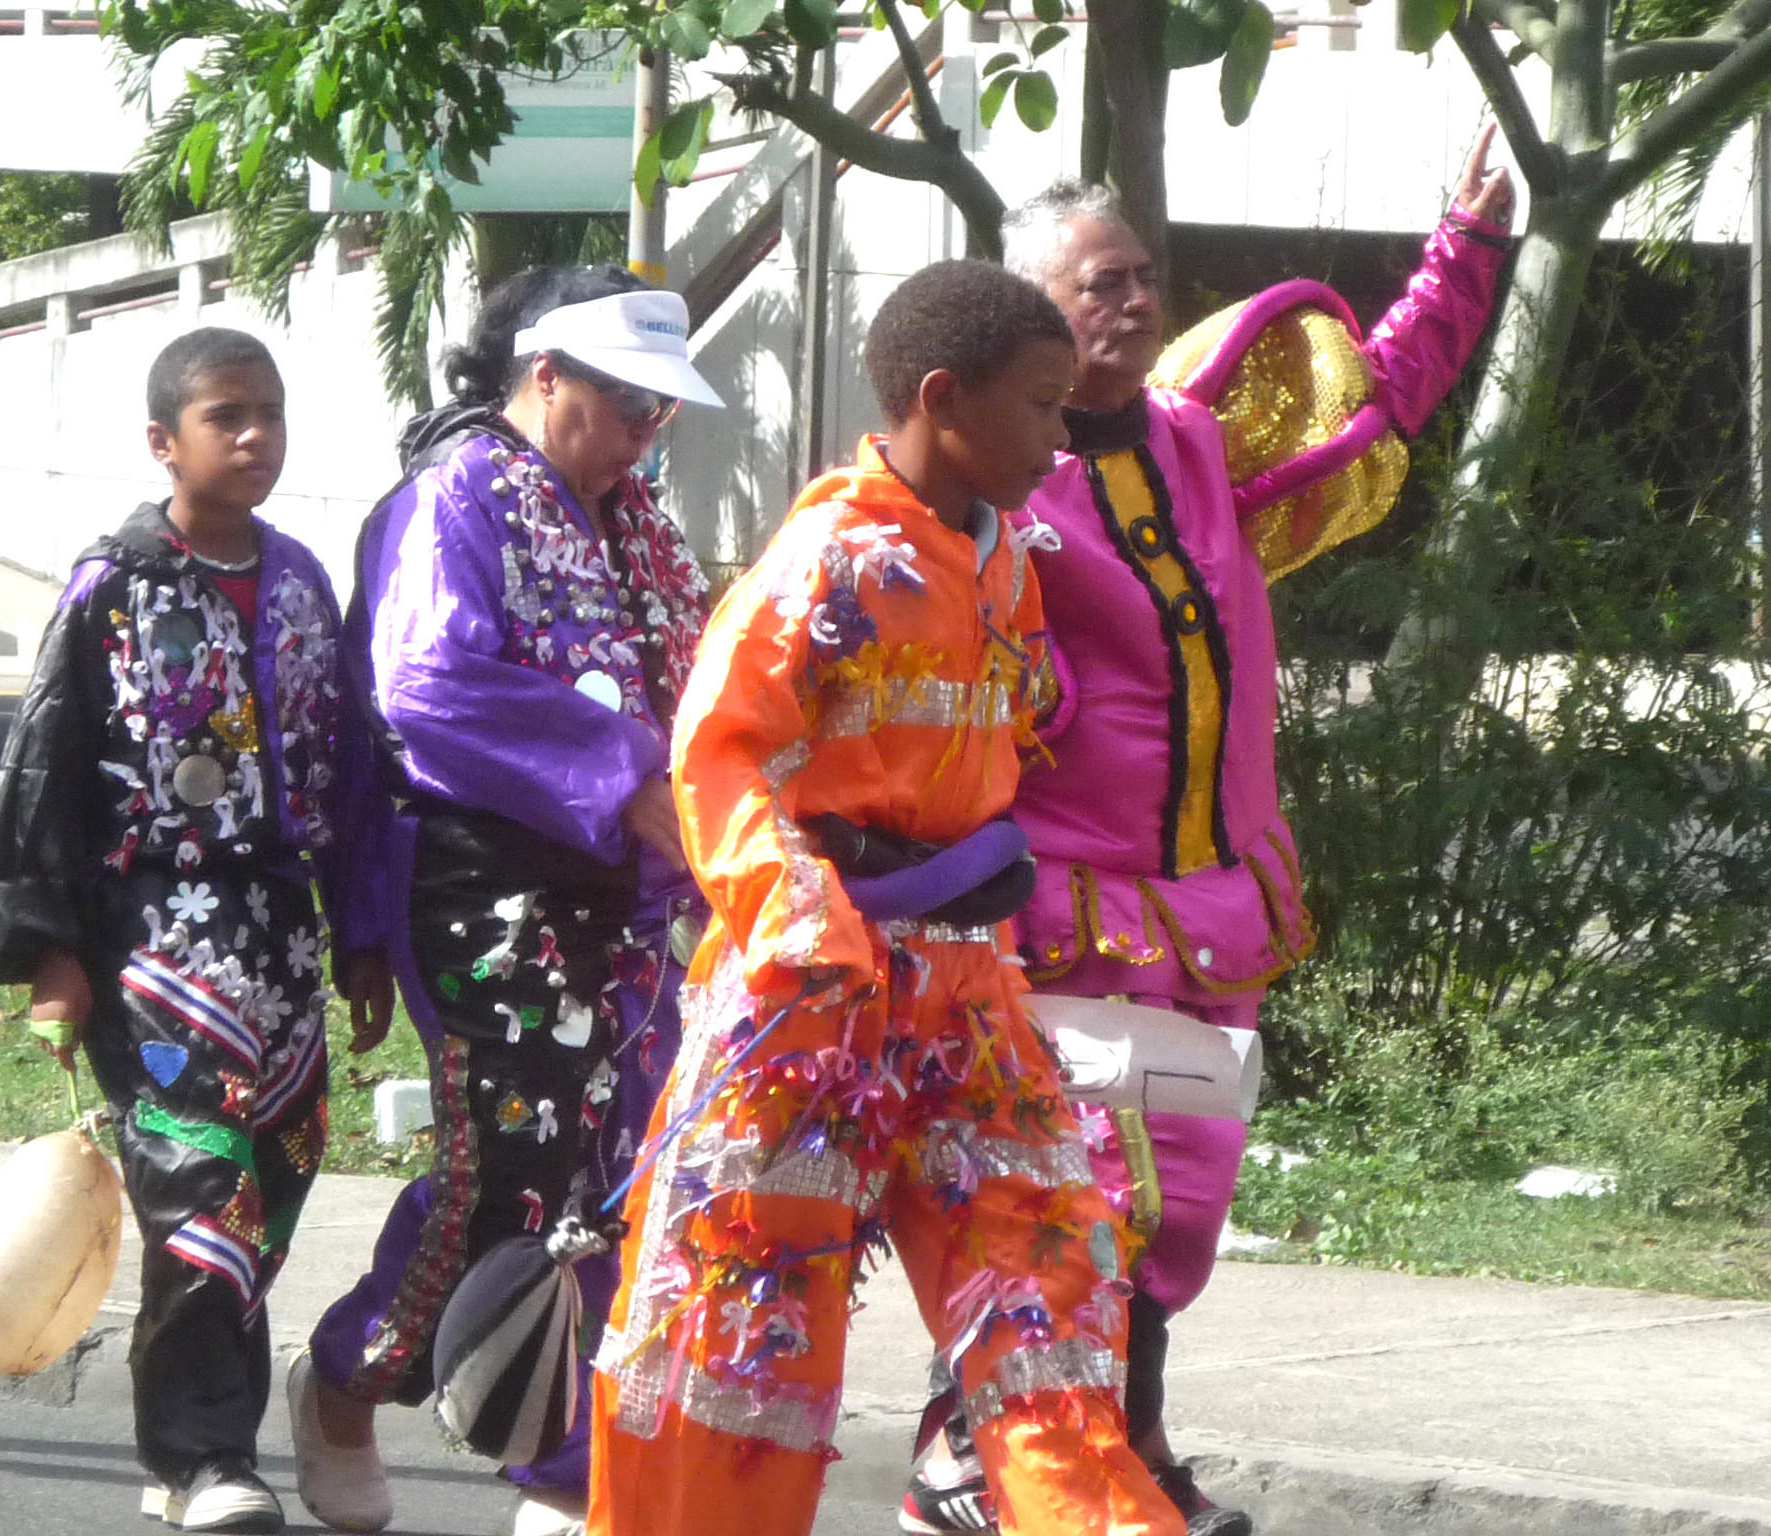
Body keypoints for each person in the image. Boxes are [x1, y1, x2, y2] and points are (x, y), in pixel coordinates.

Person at [898, 132, 1515, 1536]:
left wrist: (1464, 255)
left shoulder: (1192, 437)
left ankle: (1137, 1439)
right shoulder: (994, 483)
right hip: (1068, 908)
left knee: (1175, 1212)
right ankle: (963, 1448)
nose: (1129, 303)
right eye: (1096, 284)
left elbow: (1377, 400)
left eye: (1139, 279)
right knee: (1075, 1196)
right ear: (1022, 311)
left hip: (1211, 896)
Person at [585, 259, 1191, 1536]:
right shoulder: (831, 559)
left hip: (967, 1000)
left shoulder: (1004, 561)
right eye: (1039, 404)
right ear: (941, 398)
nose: (1059, 434)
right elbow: (717, 748)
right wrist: (800, 918)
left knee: (1049, 1313)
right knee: (739, 1344)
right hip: (811, 1004)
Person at [291, 266, 720, 1536]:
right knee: (508, 1175)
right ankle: (348, 1376)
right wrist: (625, 775)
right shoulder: (452, 498)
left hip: (631, 899)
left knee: (636, 1167)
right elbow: (425, 685)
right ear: (546, 378)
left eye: (660, 407)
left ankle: (562, 1471)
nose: (647, 428)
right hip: (487, 890)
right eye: (625, 400)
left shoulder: (636, 519)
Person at [0, 326, 393, 1535]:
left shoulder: (308, 581)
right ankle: (207, 1457)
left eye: (270, 412)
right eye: (228, 416)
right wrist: (48, 953)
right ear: (165, 442)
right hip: (152, 939)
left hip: (283, 944)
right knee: (200, 1195)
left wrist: (364, 934)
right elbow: (42, 767)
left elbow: (360, 770)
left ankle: (188, 1439)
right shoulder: (112, 585)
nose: (256, 436)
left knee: (269, 1185)